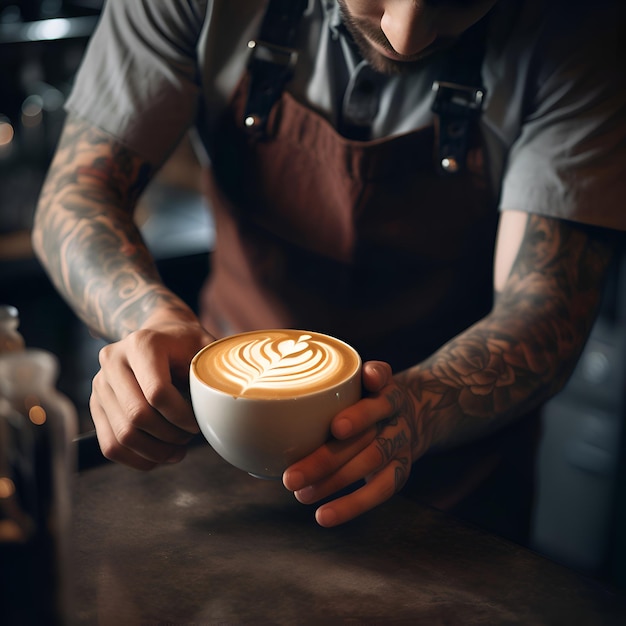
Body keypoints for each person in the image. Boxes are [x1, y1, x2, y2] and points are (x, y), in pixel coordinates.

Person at [32, 0, 625, 544]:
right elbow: (76, 197)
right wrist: (146, 319)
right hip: (212, 466)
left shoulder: (582, 28)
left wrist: (416, 410)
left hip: (452, 498)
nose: (405, 35)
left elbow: (547, 307)